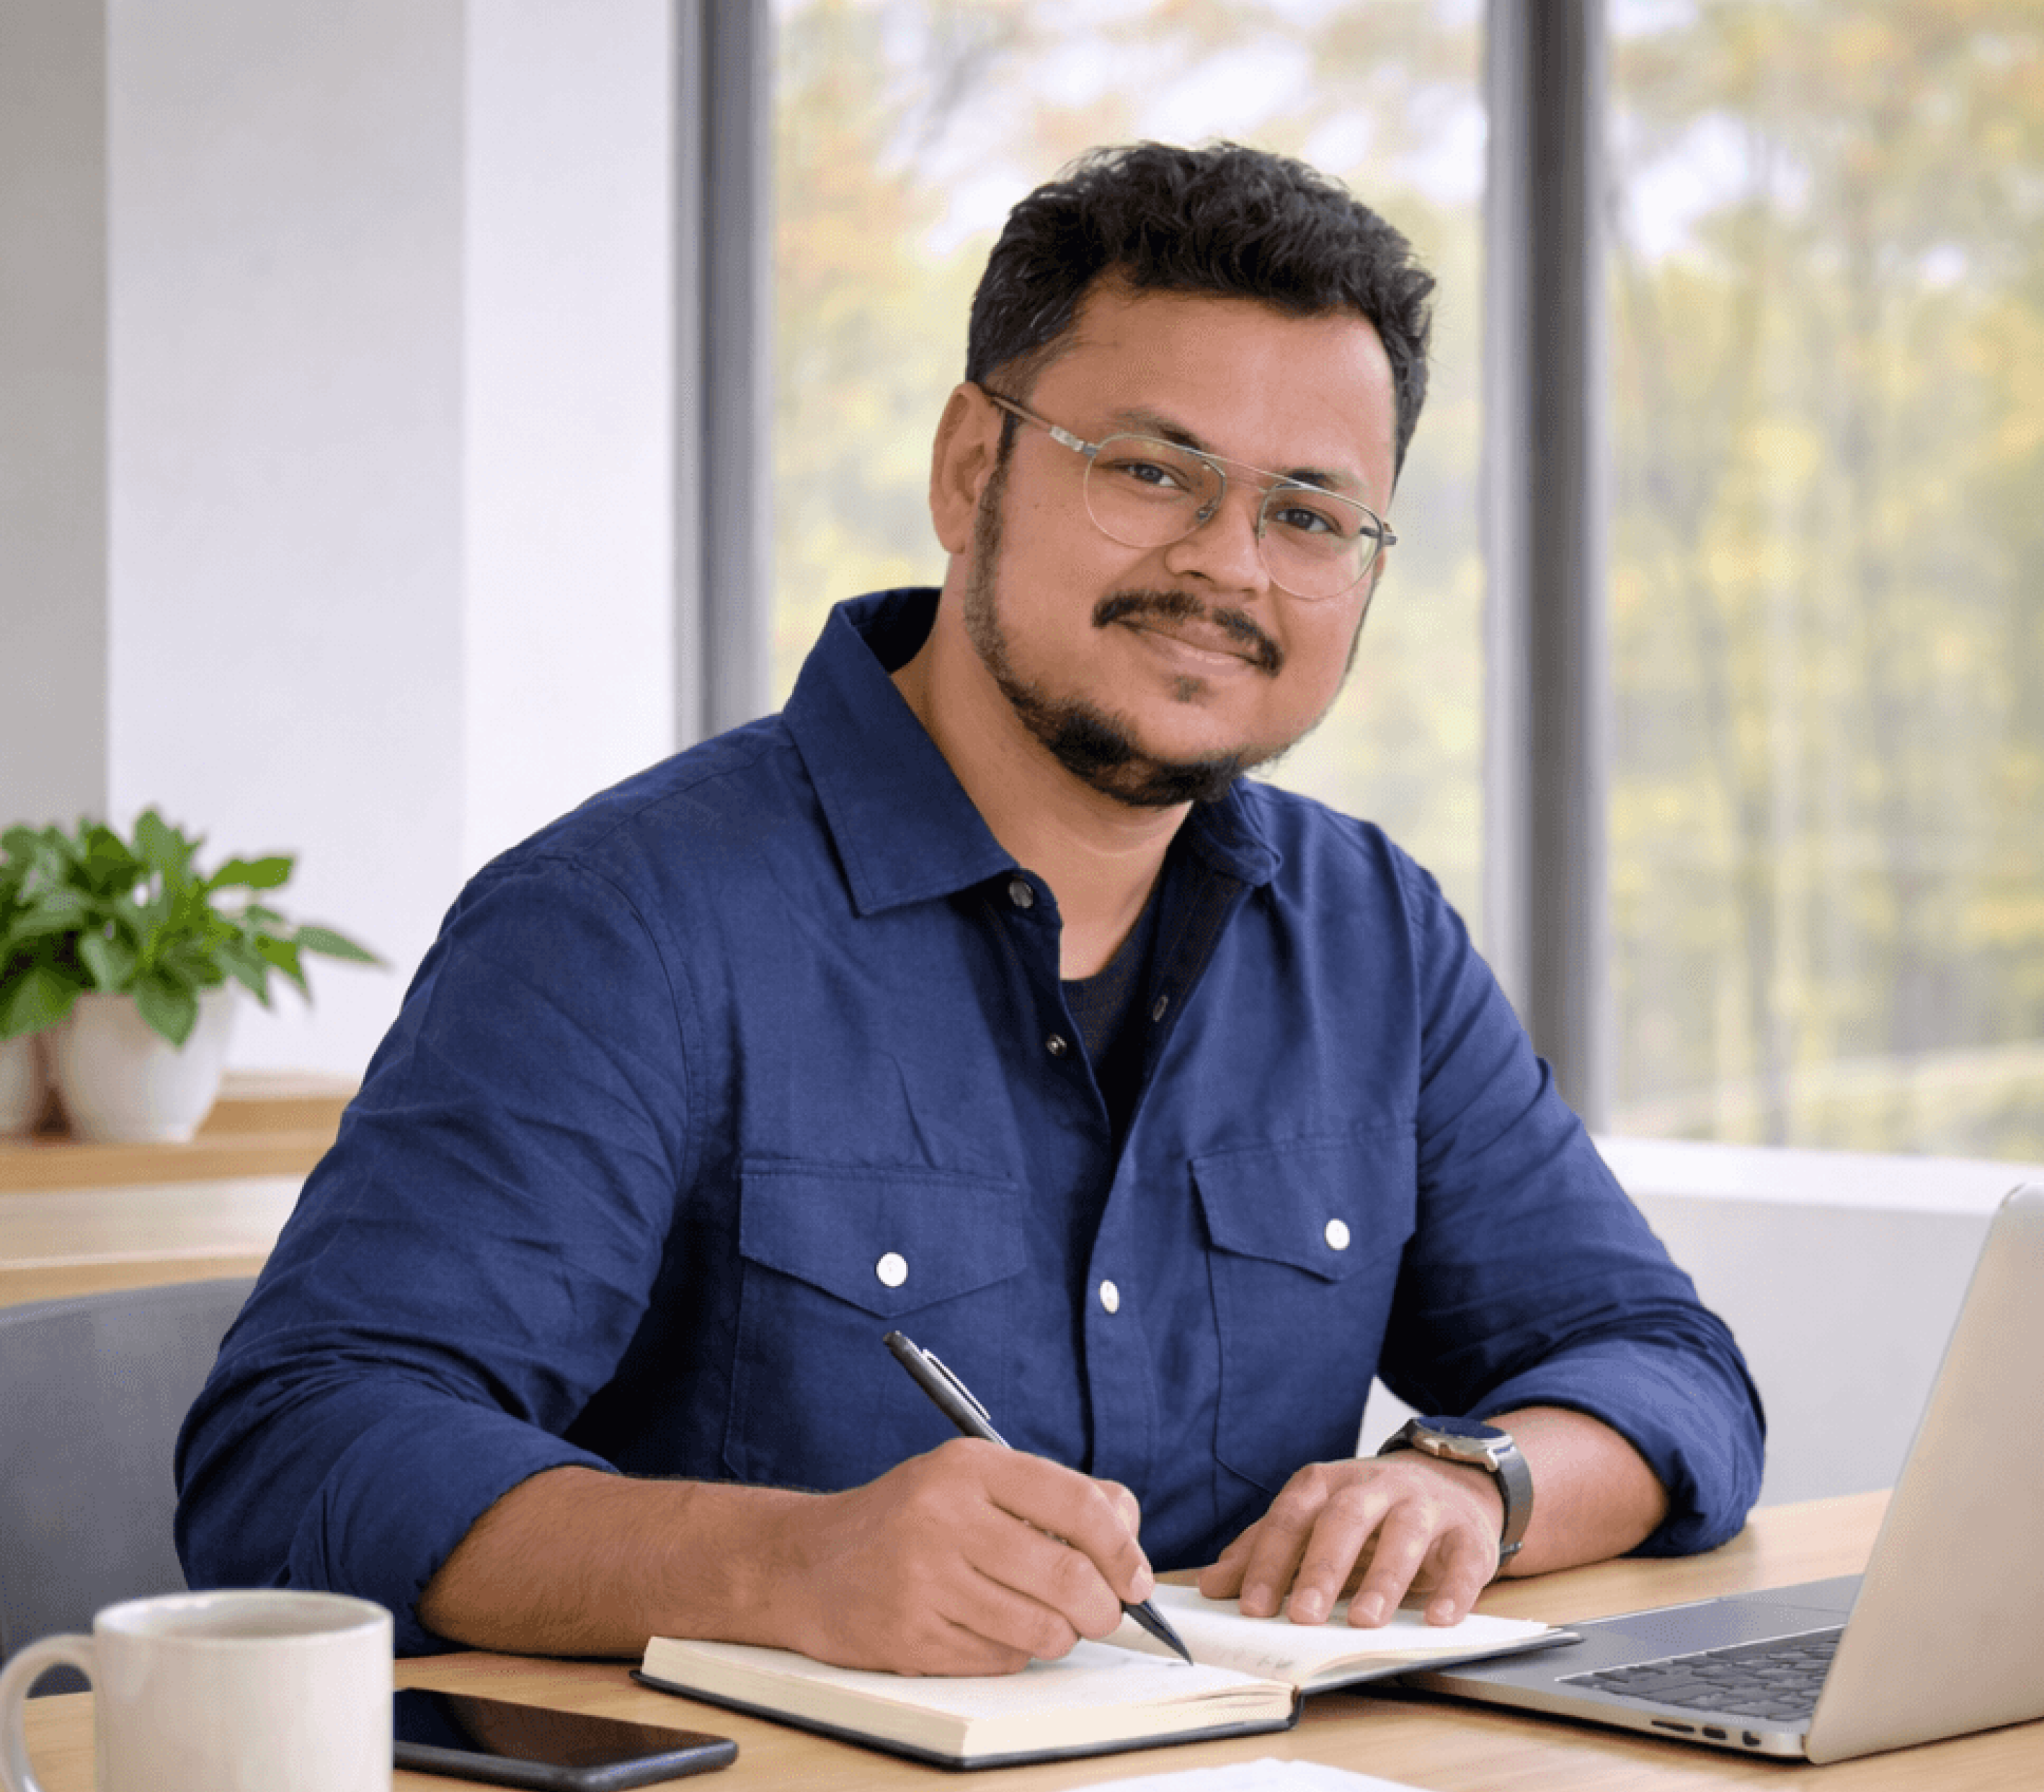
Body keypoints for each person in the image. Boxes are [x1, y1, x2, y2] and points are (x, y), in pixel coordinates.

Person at [176, 141, 1762, 1676]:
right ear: (966, 468)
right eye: (1152, 471)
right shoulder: (623, 923)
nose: (1228, 566)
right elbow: (300, 1453)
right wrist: (787, 1567)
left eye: (1308, 515)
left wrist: (1467, 1482)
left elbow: (1664, 1371)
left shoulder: (1371, 939)